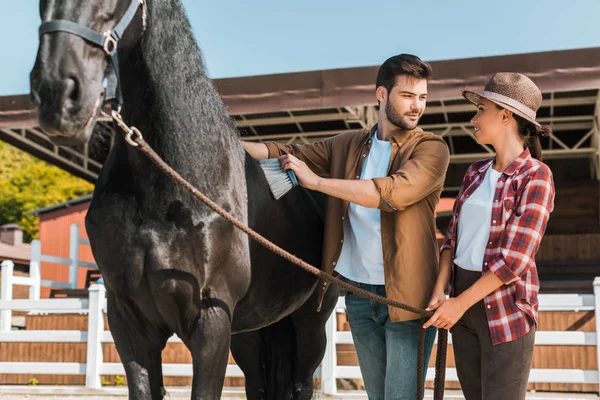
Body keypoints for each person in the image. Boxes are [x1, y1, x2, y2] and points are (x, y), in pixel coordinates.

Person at [242, 53, 450, 399]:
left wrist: (317, 183)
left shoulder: (431, 148)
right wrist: (222, 146)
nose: (417, 106)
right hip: (358, 297)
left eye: (422, 98)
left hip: (407, 299)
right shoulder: (349, 144)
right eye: (408, 96)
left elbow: (391, 193)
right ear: (381, 95)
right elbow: (286, 151)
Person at [424, 72, 555, 400]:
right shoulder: (474, 172)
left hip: (504, 308)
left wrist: (458, 304)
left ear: (506, 115)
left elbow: (514, 260)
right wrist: (441, 291)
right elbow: (451, 239)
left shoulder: (536, 176)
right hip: (461, 301)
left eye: (481, 109)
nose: (474, 118)